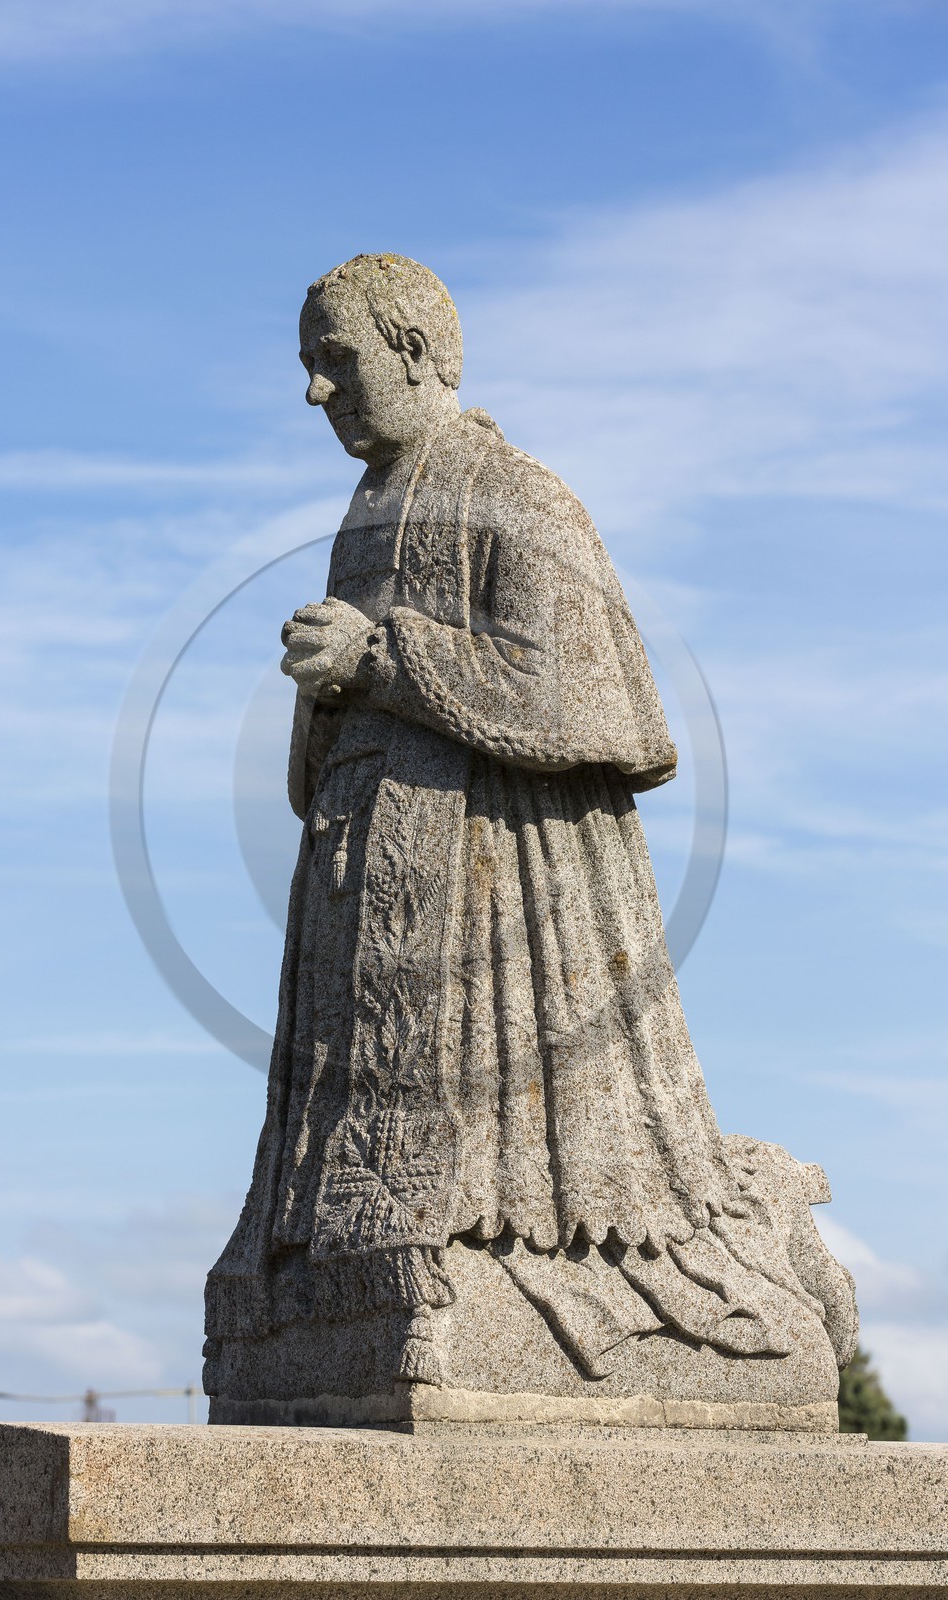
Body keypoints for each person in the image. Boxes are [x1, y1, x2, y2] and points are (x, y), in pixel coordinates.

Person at [204, 255, 855, 1419]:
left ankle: (517, 1260)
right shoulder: (369, 511)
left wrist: (382, 656)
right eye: (309, 365)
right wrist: (327, 684)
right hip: (365, 871)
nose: (317, 391)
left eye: (336, 359)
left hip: (496, 876)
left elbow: (581, 692)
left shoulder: (519, 495)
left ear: (413, 353)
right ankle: (333, 1266)